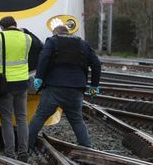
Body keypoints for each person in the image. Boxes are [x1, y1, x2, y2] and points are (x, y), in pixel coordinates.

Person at [27, 19, 102, 148]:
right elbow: (96, 65)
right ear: (68, 33)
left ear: (55, 33)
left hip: (54, 87)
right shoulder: (83, 44)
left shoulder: (52, 41)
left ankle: (27, 145)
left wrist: (39, 77)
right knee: (76, 119)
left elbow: (43, 58)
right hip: (76, 88)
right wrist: (94, 85)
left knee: (40, 116)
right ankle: (86, 147)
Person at [0, 16, 33, 161]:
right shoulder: (27, 38)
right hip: (23, 82)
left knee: (6, 119)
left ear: (2, 27)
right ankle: (23, 151)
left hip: (5, 84)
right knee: (22, 118)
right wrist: (24, 30)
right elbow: (38, 45)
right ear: (16, 24)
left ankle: (10, 153)